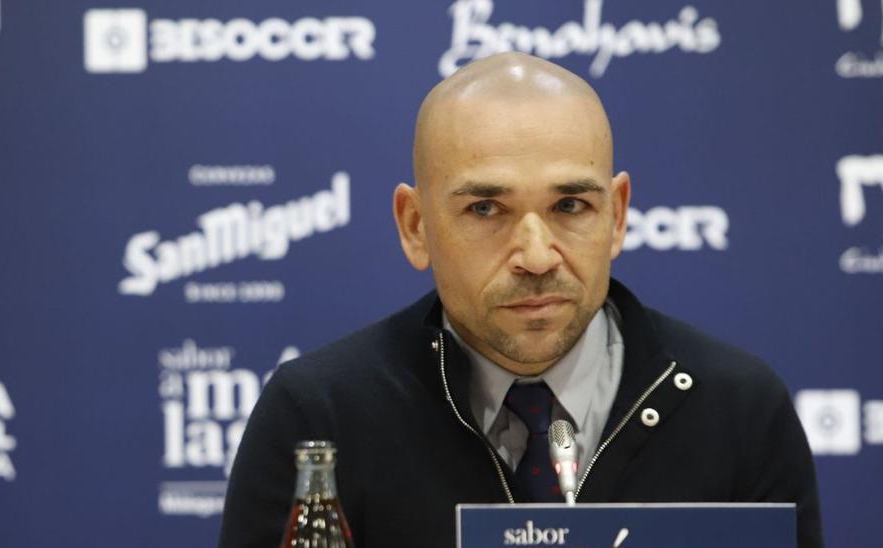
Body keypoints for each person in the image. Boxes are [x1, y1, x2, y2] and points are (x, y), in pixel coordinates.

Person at [218, 52, 822, 548]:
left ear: (616, 217)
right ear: (415, 226)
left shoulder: (739, 409)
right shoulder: (318, 416)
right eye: (485, 209)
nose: (536, 256)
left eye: (570, 207)